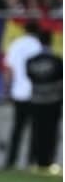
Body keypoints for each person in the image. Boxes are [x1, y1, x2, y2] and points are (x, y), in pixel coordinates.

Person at [3, 20, 42, 168]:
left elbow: (8, 70)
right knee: (35, 129)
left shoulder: (16, 44)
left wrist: (6, 90)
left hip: (19, 92)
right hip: (35, 92)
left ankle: (10, 161)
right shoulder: (38, 46)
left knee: (17, 129)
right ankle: (31, 161)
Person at [26, 30, 62, 173]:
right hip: (53, 100)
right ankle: (49, 161)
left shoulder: (31, 60)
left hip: (36, 100)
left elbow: (29, 76)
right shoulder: (56, 60)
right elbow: (60, 78)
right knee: (51, 131)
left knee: (37, 130)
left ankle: (36, 160)